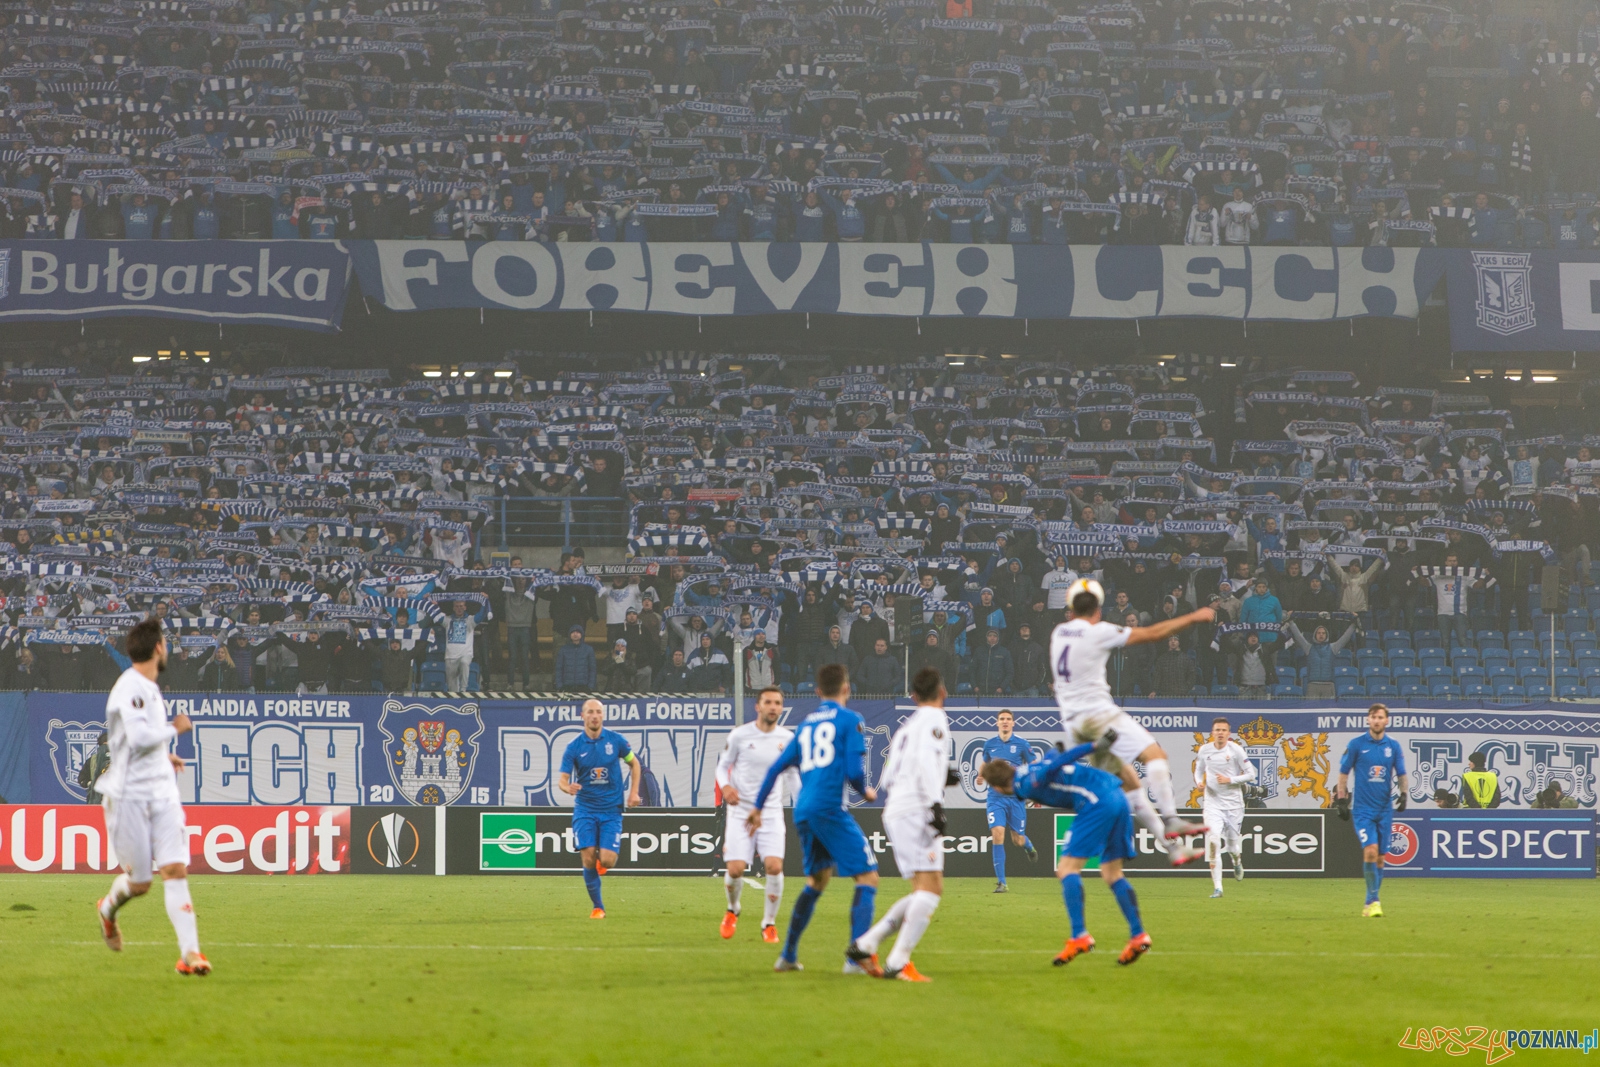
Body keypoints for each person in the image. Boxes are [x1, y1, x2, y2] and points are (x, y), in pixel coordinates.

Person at [1049, 579, 1213, 865]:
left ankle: (1172, 847)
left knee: (1130, 783)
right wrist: (1193, 617)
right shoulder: (1097, 631)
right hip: (1098, 714)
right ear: (1098, 610)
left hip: (1075, 727)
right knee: (1155, 755)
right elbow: (1151, 633)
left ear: (1071, 609)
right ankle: (1172, 819)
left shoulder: (1059, 632)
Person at [94, 618, 210, 975]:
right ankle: (107, 910)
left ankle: (190, 954)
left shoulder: (150, 688)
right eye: (166, 643)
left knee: (175, 869)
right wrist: (175, 728)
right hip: (128, 797)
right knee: (141, 884)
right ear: (159, 647)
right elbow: (142, 737)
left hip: (162, 792)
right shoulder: (130, 687)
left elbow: (139, 743)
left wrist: (165, 756)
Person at [749, 664, 879, 973]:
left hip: (804, 809)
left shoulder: (805, 725)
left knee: (818, 880)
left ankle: (788, 956)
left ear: (818, 691)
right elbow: (853, 771)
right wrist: (866, 791)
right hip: (829, 807)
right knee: (868, 877)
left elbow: (775, 768)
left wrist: (756, 807)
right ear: (847, 688)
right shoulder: (850, 720)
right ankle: (855, 960)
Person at [982, 732, 1152, 967]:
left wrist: (1095, 745)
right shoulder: (1028, 770)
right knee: (1112, 874)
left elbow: (1057, 763)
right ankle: (1138, 935)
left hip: (1096, 802)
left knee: (1066, 869)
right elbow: (1053, 757)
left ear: (998, 788)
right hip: (1118, 796)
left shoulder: (1027, 782)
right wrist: (1057, 748)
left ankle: (1079, 935)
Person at [845, 667, 951, 982]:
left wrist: (946, 775)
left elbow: (893, 766)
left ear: (914, 697)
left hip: (897, 807)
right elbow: (924, 762)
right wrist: (935, 805)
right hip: (917, 807)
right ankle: (898, 961)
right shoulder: (935, 719)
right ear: (943, 692)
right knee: (932, 889)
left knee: (922, 888)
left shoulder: (908, 725)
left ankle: (866, 943)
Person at [714, 686, 796, 943]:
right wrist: (726, 786)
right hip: (741, 810)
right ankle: (732, 909)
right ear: (757, 706)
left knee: (774, 866)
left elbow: (793, 774)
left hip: (771, 812)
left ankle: (769, 923)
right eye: (768, 702)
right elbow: (723, 766)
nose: (773, 707)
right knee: (736, 869)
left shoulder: (787, 738)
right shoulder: (740, 735)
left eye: (778, 703)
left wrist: (803, 803)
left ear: (781, 708)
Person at [557, 698, 642, 918]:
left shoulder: (616, 741)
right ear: (582, 716)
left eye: (598, 712)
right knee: (587, 857)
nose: (595, 716)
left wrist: (633, 793)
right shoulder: (573, 747)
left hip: (611, 809)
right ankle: (598, 907)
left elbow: (634, 764)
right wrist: (568, 788)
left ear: (603, 716)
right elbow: (562, 780)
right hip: (585, 808)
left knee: (607, 860)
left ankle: (600, 862)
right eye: (590, 712)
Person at [1336, 703, 1408, 918]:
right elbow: (1343, 773)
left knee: (1380, 859)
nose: (1376, 720)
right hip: (1363, 810)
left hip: (1384, 810)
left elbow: (1402, 773)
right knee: (1370, 851)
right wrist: (1341, 800)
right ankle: (1374, 901)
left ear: (1387, 721)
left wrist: (1404, 795)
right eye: (1373, 717)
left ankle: (1370, 902)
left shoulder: (1393, 746)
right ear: (1368, 720)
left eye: (1380, 717)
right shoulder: (1357, 744)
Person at [1193, 717, 1255, 898]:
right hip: (1212, 803)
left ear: (1229, 733)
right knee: (1213, 841)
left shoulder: (1236, 750)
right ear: (1212, 733)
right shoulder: (1205, 750)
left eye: (1223, 730)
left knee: (1232, 846)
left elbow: (1251, 774)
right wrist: (1199, 782)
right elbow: (1198, 770)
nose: (1220, 733)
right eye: (1217, 730)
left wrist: (1231, 780)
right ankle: (1218, 887)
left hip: (1234, 805)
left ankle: (1236, 861)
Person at [977, 709, 1037, 892]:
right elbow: (986, 762)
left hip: (1016, 798)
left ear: (1013, 723)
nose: (1005, 722)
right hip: (995, 798)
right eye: (1002, 719)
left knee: (1017, 840)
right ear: (997, 723)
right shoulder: (990, 744)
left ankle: (1028, 845)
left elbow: (1034, 765)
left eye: (1008, 719)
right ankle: (1002, 882)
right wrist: (981, 775)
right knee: (997, 834)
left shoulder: (1022, 744)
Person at [442, 600, 476, 691]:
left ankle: (463, 689)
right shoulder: (447, 620)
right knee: (452, 689)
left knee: (464, 663)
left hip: (465, 654)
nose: (459, 608)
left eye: (461, 606)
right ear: (453, 608)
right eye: (457, 606)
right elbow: (435, 615)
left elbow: (481, 616)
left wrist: (485, 601)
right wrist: (432, 603)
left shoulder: (470, 620)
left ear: (465, 607)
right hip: (450, 657)